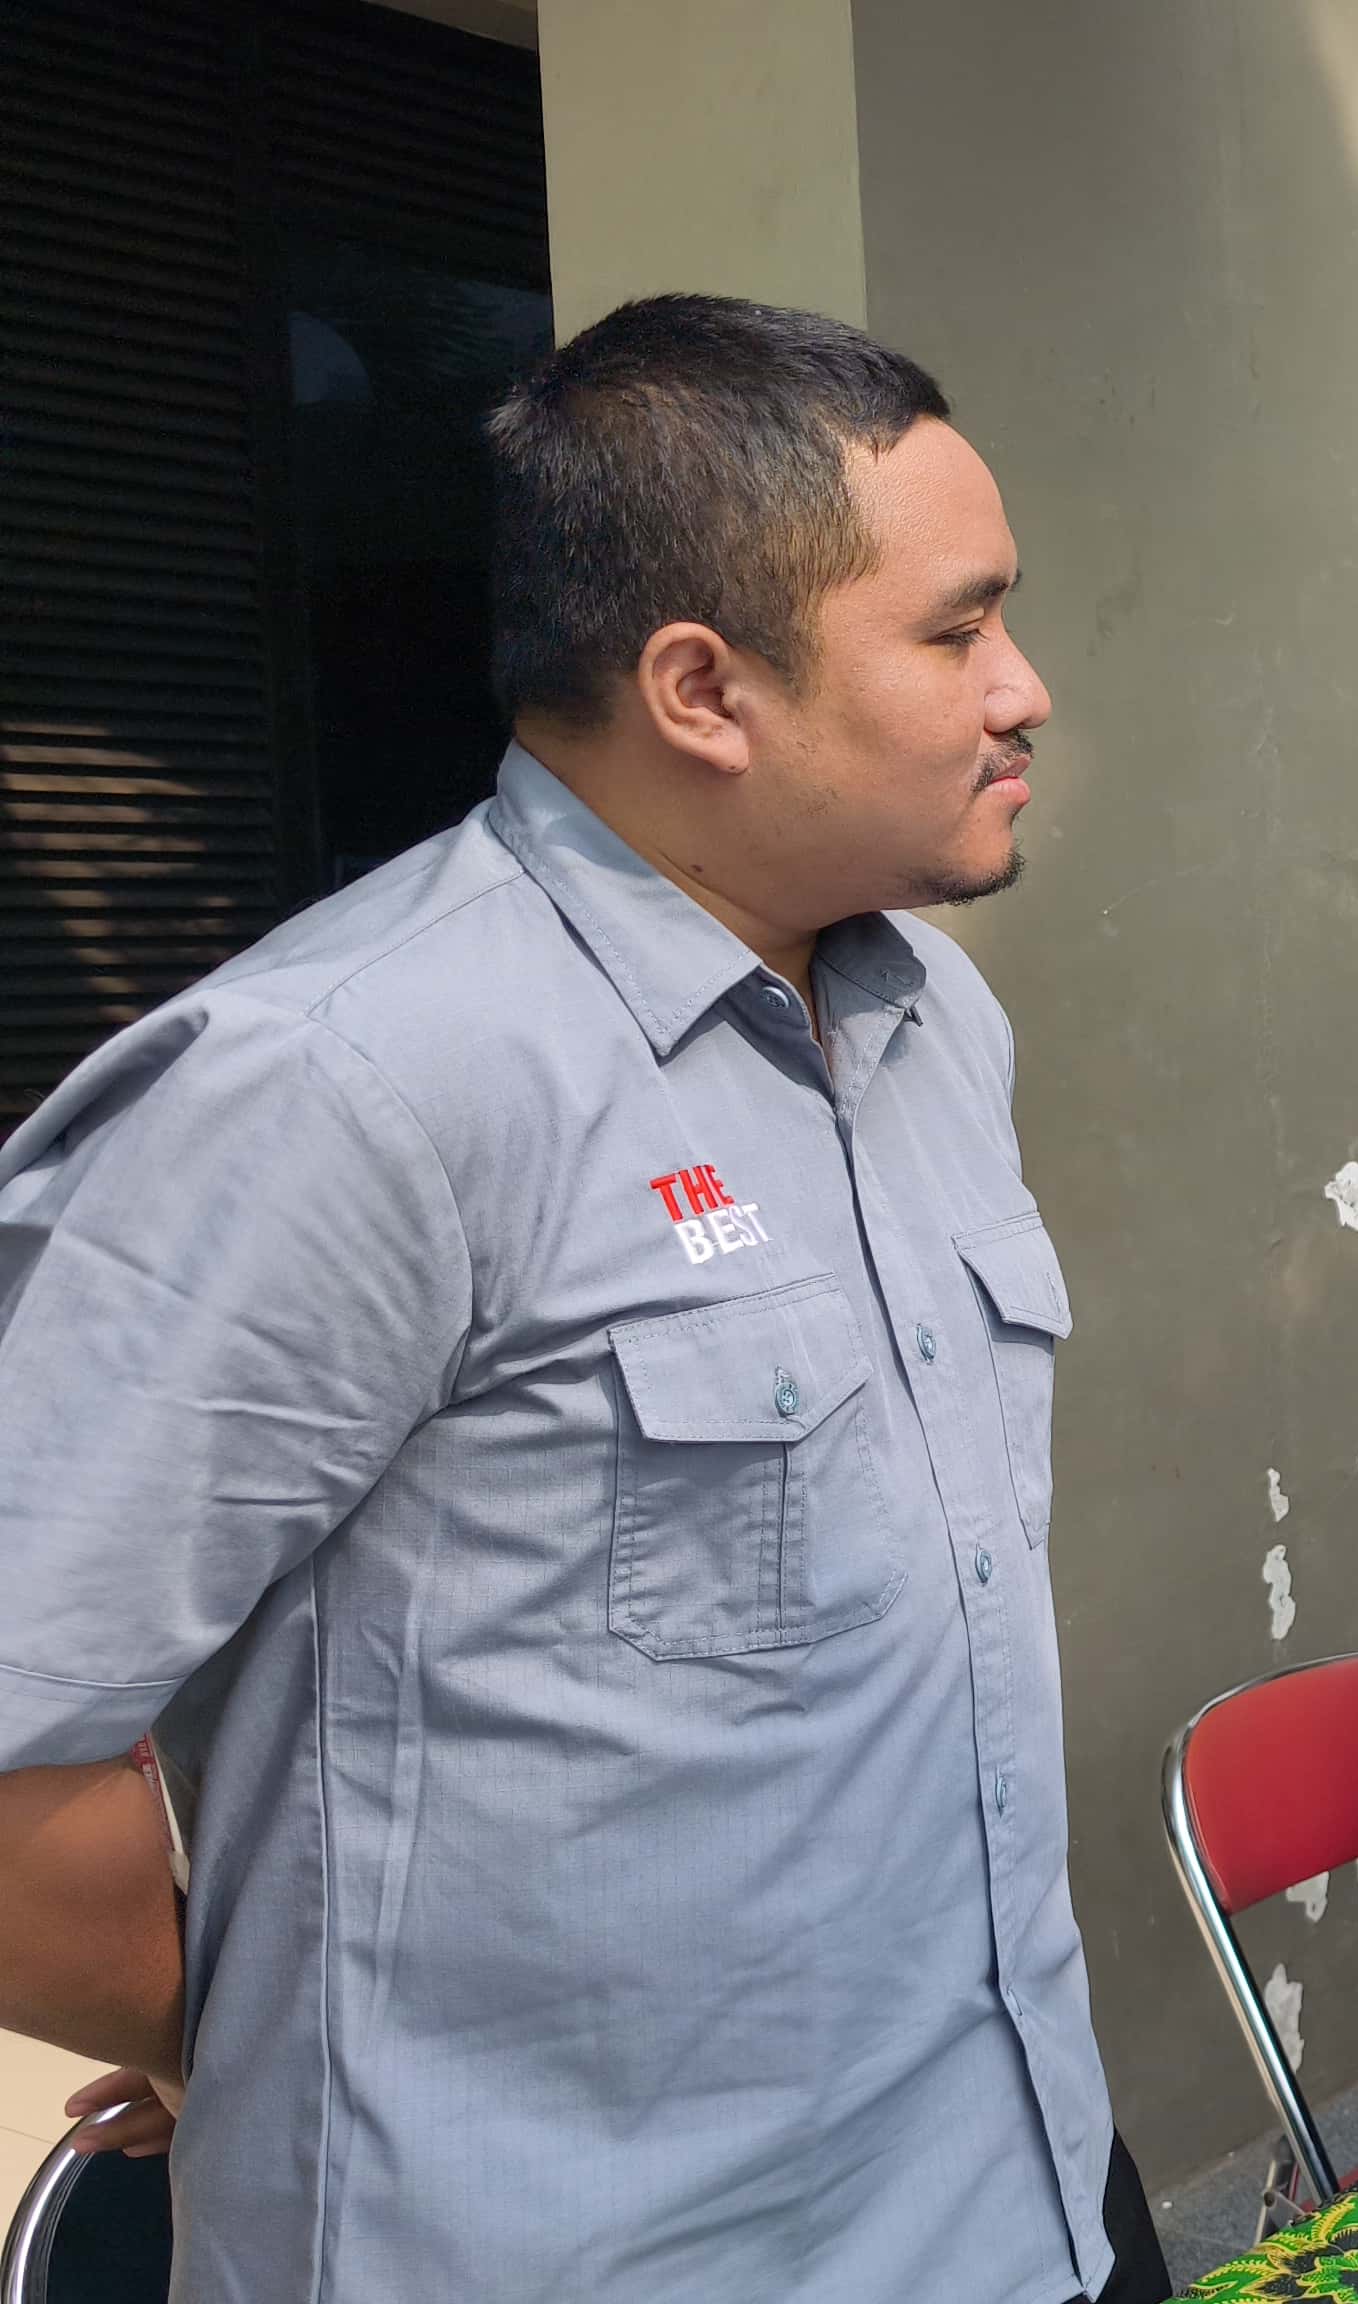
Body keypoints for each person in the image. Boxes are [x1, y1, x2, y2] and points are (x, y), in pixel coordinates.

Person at [0, 295, 1165, 2304]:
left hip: (1005, 2182)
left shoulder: (929, 1021)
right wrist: (241, 2028)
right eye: (956, 630)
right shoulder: (342, 1085)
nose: (1024, 688)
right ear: (704, 689)